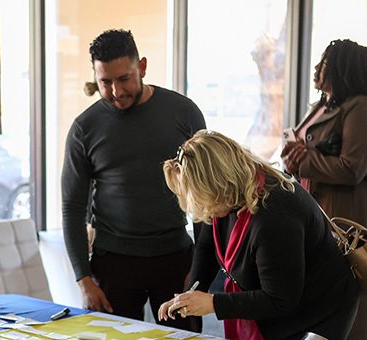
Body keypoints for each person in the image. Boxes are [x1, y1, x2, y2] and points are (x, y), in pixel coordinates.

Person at [62, 29, 206, 330]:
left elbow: (206, 196)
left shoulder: (184, 113)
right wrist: (84, 280)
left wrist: (200, 270)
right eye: (106, 82)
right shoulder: (84, 128)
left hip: (175, 257)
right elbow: (72, 207)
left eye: (124, 78)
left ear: (141, 67)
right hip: (113, 263)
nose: (116, 91)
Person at [159, 130, 359, 340]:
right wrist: (190, 294)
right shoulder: (222, 197)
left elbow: (280, 299)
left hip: (319, 310)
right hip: (273, 305)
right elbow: (206, 247)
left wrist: (212, 303)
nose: (201, 209)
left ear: (219, 183)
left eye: (200, 198)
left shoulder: (275, 214)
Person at [281, 38, 367, 340]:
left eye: (326, 63)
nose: (317, 68)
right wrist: (292, 161)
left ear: (343, 68)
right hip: (310, 209)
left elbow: (352, 168)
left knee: (344, 297)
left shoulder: (359, 107)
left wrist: (305, 162)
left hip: (340, 218)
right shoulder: (321, 104)